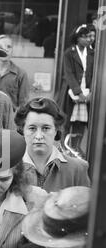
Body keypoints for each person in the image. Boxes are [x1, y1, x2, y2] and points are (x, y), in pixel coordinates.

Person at [14, 97, 90, 192]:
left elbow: (85, 205)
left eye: (46, 128)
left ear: (56, 130)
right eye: (32, 128)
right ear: (22, 130)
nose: (39, 136)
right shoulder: (11, 168)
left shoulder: (77, 169)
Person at [59, 25, 94, 155]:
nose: (88, 39)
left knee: (81, 121)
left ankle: (76, 148)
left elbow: (95, 75)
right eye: (84, 37)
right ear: (77, 38)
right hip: (72, 91)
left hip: (88, 91)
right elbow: (69, 73)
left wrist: (91, 93)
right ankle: (64, 149)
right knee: (67, 121)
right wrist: (78, 92)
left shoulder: (93, 53)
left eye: (89, 36)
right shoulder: (69, 52)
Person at [0, 35, 29, 110]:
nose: (5, 49)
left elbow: (23, 105)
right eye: (1, 46)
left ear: (12, 50)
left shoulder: (21, 74)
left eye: (9, 47)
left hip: (10, 118)